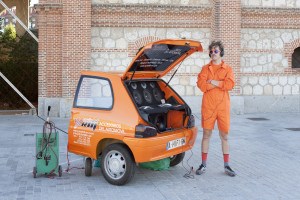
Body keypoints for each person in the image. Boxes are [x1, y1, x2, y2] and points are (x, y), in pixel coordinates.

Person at [196, 40, 236, 177]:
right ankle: (203, 164)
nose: (213, 53)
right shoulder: (205, 69)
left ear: (221, 53)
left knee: (224, 136)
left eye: (216, 51)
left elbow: (230, 84)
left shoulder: (228, 69)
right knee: (206, 135)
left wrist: (213, 82)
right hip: (208, 107)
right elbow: (201, 85)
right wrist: (218, 84)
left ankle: (227, 165)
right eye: (211, 51)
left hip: (223, 107)